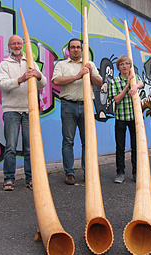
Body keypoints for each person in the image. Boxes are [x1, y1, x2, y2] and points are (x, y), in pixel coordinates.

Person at [0, 35, 47, 191]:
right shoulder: (4, 64)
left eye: (19, 43)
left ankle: (31, 179)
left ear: (22, 45)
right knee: (10, 147)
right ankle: (9, 179)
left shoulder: (30, 63)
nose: (16, 46)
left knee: (30, 147)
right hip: (11, 110)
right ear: (9, 46)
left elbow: (43, 84)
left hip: (29, 109)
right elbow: (2, 84)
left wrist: (38, 76)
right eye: (13, 44)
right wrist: (21, 78)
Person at [52, 38, 102, 185]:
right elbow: (56, 81)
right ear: (69, 50)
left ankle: (88, 172)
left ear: (82, 49)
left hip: (86, 105)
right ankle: (69, 173)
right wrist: (77, 77)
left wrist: (91, 74)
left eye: (78, 47)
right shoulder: (61, 64)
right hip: (68, 105)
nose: (75, 50)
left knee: (88, 141)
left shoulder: (89, 64)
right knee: (68, 140)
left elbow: (99, 83)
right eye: (72, 47)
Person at [108, 55, 144, 183]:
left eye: (127, 63)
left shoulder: (135, 77)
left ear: (130, 66)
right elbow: (117, 100)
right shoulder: (114, 81)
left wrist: (135, 86)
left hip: (134, 118)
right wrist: (127, 85)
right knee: (120, 147)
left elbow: (141, 83)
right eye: (122, 64)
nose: (125, 66)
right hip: (121, 118)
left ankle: (136, 173)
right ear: (118, 67)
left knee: (136, 147)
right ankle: (120, 173)